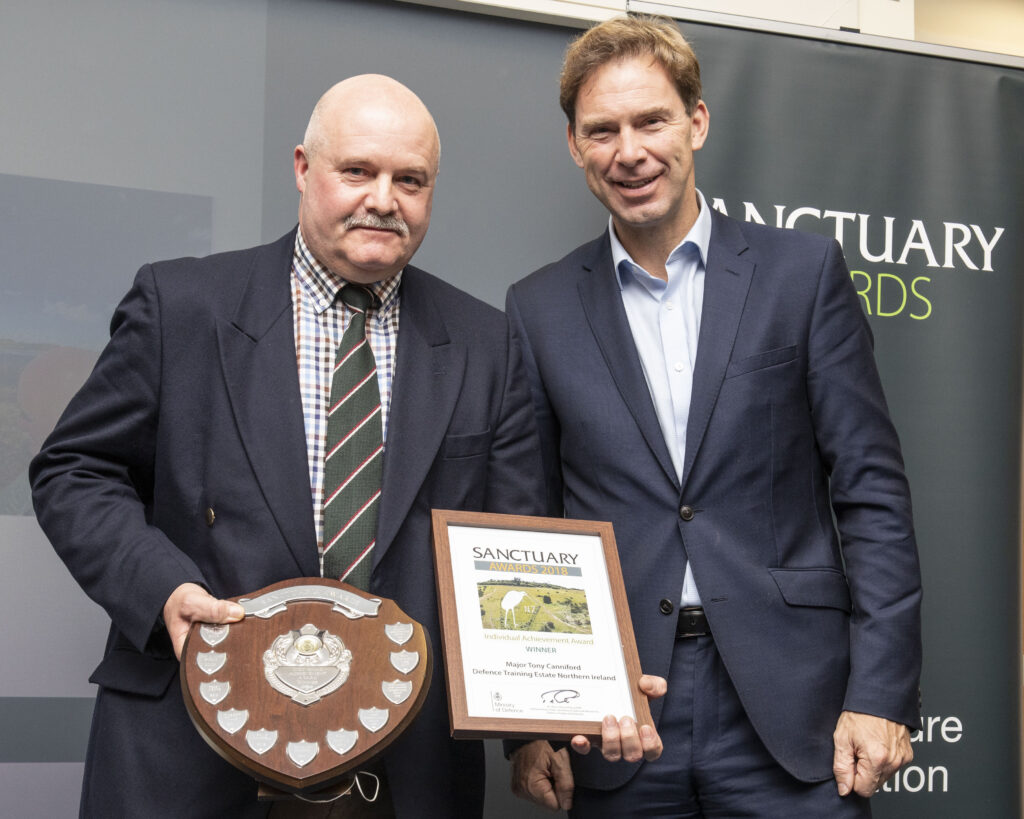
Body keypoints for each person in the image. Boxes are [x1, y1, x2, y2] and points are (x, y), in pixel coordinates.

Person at [31, 74, 550, 818]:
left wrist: (553, 709)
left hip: (401, 769)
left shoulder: (486, 343)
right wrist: (165, 592)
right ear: (304, 168)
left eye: (411, 179)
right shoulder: (182, 305)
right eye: (358, 171)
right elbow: (74, 469)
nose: (384, 199)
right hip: (192, 748)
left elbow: (514, 550)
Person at [506, 16, 922, 817]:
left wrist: (881, 689)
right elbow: (527, 527)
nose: (629, 151)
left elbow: (872, 493)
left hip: (794, 708)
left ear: (696, 121)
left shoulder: (802, 274)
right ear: (574, 147)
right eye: (603, 130)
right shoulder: (538, 308)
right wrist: (531, 724)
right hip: (618, 717)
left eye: (651, 120)